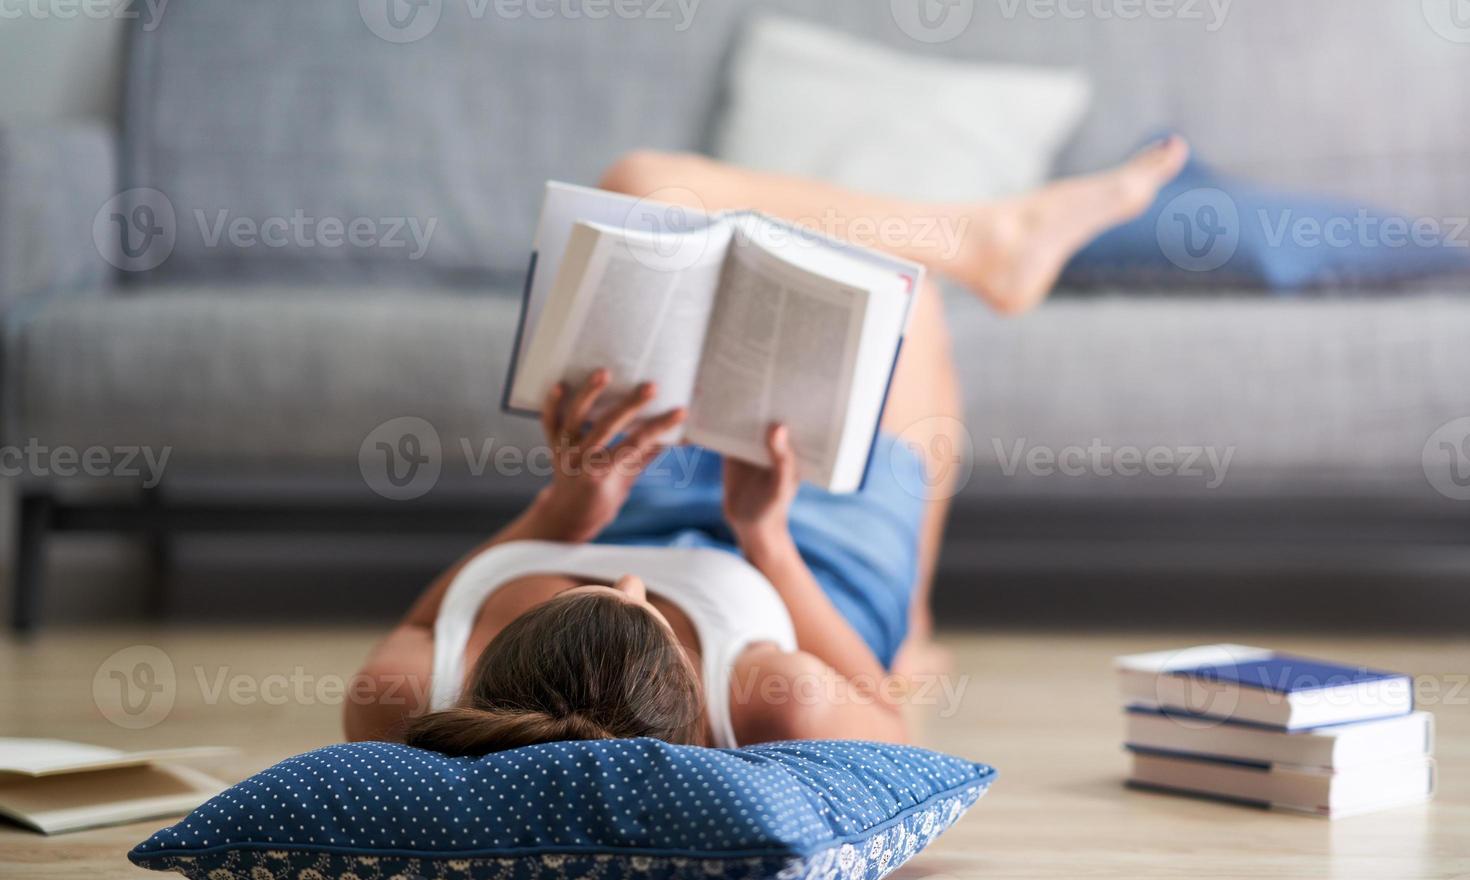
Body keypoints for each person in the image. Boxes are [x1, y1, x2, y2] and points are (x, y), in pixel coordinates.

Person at [344, 138, 1190, 753]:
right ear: (696, 712)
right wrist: (767, 539)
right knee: (910, 308)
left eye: (598, 590)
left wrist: (569, 504)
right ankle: (914, 616)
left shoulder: (407, 695)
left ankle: (986, 242)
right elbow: (883, 719)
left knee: (642, 184)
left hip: (624, 494)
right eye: (644, 606)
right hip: (806, 563)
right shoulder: (773, 696)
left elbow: (428, 619)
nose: (629, 574)